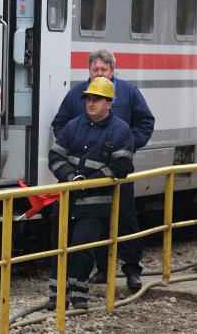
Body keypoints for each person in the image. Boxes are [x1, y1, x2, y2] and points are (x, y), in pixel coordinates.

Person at [52, 49, 154, 290]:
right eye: (95, 69)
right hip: (82, 177)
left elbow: (146, 122)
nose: (99, 73)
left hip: (117, 174)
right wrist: (73, 149)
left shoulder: (128, 92)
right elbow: (60, 124)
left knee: (125, 219)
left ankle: (132, 269)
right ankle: (102, 270)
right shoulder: (76, 94)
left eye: (104, 69)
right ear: (88, 71)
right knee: (91, 223)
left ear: (112, 71)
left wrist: (127, 146)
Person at [46, 76, 134, 310]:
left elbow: (122, 166)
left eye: (97, 99)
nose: (91, 103)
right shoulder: (73, 126)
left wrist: (89, 182)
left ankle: (79, 297)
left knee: (82, 249)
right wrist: (71, 178)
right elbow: (55, 157)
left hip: (95, 205)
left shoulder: (120, 131)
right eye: (88, 98)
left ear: (109, 103)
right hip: (67, 200)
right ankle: (56, 295)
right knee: (59, 247)